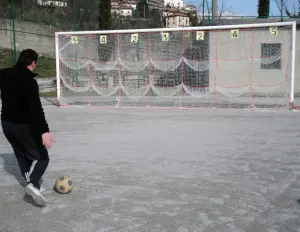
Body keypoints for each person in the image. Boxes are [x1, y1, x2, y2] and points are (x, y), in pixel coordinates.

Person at [0, 49, 54, 207]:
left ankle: (32, 182)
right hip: (23, 126)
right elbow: (36, 109)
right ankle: (33, 184)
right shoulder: (30, 82)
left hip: (6, 124)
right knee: (43, 157)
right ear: (33, 63)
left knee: (21, 152)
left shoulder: (4, 74)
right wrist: (44, 131)